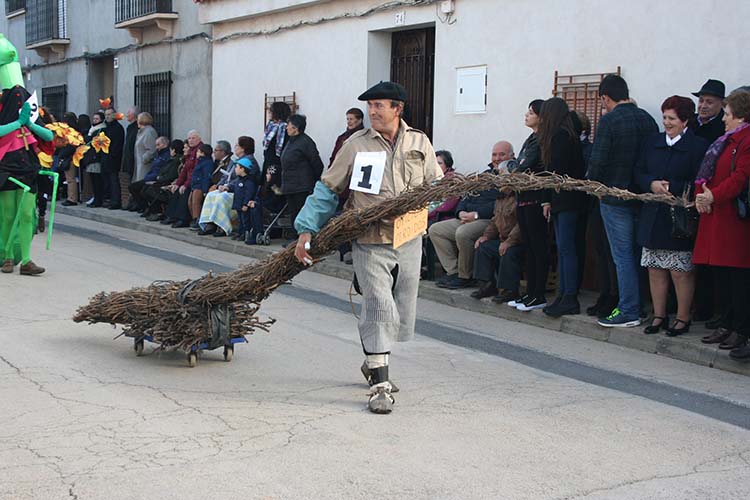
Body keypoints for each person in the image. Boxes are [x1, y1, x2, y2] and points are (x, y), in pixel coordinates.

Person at [293, 81, 442, 414]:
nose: (373, 111)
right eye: (370, 106)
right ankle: (380, 386)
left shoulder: (419, 141)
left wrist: (421, 211)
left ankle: (374, 362)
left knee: (402, 309)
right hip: (369, 238)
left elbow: (436, 187)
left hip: (408, 238)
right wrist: (305, 231)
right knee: (378, 306)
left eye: (379, 105)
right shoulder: (355, 145)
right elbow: (327, 188)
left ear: (397, 108)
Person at [587, 75, 658, 327]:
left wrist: (592, 186)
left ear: (605, 97)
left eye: (602, 101)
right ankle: (647, 305)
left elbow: (598, 161)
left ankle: (629, 309)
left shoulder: (609, 121)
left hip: (614, 198)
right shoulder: (647, 119)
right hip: (643, 196)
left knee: (622, 256)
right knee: (641, 254)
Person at [634, 96, 708, 336]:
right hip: (653, 212)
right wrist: (651, 183)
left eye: (672, 118)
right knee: (655, 268)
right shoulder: (652, 142)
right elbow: (639, 171)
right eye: (664, 117)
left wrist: (674, 187)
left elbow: (700, 178)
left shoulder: (697, 146)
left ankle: (683, 317)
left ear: (685, 120)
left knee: (680, 271)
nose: (666, 122)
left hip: (679, 217)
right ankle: (659, 315)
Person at [694, 90, 750, 360]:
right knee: (722, 274)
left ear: (740, 115)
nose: (724, 119)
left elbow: (740, 176)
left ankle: (740, 328)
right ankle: (726, 322)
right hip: (717, 214)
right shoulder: (726, 139)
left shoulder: (746, 140)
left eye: (727, 114)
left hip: (733, 218)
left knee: (737, 276)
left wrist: (714, 195)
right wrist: (702, 195)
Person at [0, 33, 55, 275]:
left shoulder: (30, 114)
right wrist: (16, 124)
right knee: (7, 215)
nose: (19, 97)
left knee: (25, 215)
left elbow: (50, 136)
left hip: (28, 168)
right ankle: (7, 256)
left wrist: (29, 124)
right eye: (16, 96)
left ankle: (27, 259)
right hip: (5, 169)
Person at [428, 141, 514, 290]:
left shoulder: (510, 178)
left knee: (463, 233)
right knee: (436, 230)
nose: (497, 158)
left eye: (502, 154)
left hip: (488, 220)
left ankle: (465, 276)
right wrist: (460, 212)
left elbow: (500, 204)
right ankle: (453, 271)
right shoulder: (484, 175)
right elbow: (466, 196)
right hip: (466, 217)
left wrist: (476, 214)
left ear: (512, 156)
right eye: (494, 154)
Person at [537, 97, 587, 317]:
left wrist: (548, 196)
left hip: (567, 200)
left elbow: (555, 172)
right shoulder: (563, 135)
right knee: (564, 248)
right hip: (562, 200)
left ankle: (569, 296)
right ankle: (563, 294)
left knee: (567, 249)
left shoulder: (562, 137)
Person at [510, 99, 549, 311]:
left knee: (538, 248)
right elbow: (517, 164)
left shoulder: (542, 140)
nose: (526, 115)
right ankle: (529, 293)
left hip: (535, 198)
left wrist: (512, 171)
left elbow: (523, 167)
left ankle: (538, 294)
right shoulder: (530, 138)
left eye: (531, 112)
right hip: (522, 197)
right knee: (529, 249)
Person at [470, 178, 524, 304]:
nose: (500, 183)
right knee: (483, 247)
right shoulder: (500, 198)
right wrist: (486, 236)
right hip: (503, 239)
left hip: (518, 241)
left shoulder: (518, 197)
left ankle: (509, 290)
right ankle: (487, 285)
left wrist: (509, 242)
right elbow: (494, 221)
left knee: (508, 252)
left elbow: (520, 225)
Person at [198, 136, 256, 237]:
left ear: (243, 148)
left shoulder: (249, 161)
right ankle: (210, 223)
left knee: (221, 197)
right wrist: (219, 185)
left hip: (241, 191)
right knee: (211, 195)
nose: (235, 147)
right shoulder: (237, 160)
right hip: (232, 188)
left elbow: (242, 179)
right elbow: (226, 175)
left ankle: (222, 226)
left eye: (237, 145)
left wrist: (228, 187)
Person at [280, 114, 324, 238]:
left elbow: (316, 163)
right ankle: (294, 239)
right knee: (293, 213)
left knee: (302, 213)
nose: (286, 127)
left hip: (301, 185)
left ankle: (302, 239)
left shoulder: (306, 142)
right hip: (290, 184)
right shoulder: (291, 141)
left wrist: (313, 180)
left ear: (296, 128)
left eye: (289, 125)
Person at [161, 130, 202, 227]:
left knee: (184, 192)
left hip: (197, 181)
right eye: (189, 138)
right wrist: (178, 183)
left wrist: (185, 184)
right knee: (175, 190)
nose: (191, 140)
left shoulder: (199, 150)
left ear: (199, 139)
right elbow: (185, 171)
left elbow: (195, 171)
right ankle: (171, 216)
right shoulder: (190, 151)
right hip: (189, 180)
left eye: (193, 138)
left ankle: (183, 219)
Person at [142, 139, 184, 220]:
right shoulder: (171, 160)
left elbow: (171, 175)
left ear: (174, 150)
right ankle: (153, 210)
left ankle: (158, 212)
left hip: (167, 182)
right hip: (161, 180)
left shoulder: (176, 161)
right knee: (146, 188)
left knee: (150, 190)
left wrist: (159, 178)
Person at [128, 136, 170, 212]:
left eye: (158, 144)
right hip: (150, 177)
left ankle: (150, 209)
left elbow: (161, 170)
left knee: (143, 190)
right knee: (133, 187)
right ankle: (144, 207)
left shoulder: (166, 155)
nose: (156, 147)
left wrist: (154, 179)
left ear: (164, 144)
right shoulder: (159, 155)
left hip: (155, 178)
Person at [261, 102, 290, 209]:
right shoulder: (270, 126)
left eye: (271, 111)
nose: (269, 113)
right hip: (267, 162)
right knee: (265, 190)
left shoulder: (285, 129)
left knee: (274, 192)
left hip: (277, 165)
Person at [226, 157, 262, 244]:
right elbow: (233, 187)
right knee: (240, 220)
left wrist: (245, 204)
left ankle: (246, 233)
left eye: (237, 167)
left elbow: (249, 193)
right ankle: (239, 232)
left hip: (243, 205)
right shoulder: (238, 180)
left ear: (243, 169)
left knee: (245, 220)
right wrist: (227, 188)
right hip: (238, 203)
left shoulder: (249, 181)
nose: (235, 169)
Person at [185, 143, 214, 229]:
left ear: (203, 153)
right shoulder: (200, 161)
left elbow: (206, 177)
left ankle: (197, 220)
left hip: (200, 186)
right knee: (190, 202)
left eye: (198, 151)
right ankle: (194, 218)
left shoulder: (208, 163)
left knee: (196, 203)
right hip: (195, 185)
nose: (197, 153)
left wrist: (205, 190)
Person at [102, 107, 125, 210]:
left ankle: (116, 201)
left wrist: (112, 155)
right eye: (106, 115)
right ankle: (109, 199)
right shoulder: (105, 127)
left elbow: (118, 144)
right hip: (105, 157)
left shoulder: (118, 128)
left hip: (113, 158)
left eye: (109, 114)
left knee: (114, 180)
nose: (107, 116)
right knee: (107, 181)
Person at [427, 150, 459, 223]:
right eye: (434, 163)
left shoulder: (452, 182)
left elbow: (448, 206)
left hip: (439, 218)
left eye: (439, 163)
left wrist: (426, 214)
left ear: (447, 166)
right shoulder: (429, 179)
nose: (436, 166)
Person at [83, 112, 106, 208]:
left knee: (97, 181)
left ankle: (98, 199)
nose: (95, 120)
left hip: (95, 158)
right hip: (90, 157)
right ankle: (95, 198)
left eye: (97, 119)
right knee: (93, 180)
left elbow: (97, 144)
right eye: (94, 118)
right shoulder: (92, 129)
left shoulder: (101, 129)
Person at [120, 107, 139, 209]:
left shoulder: (136, 128)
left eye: (129, 113)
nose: (127, 115)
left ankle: (134, 202)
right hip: (128, 159)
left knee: (133, 182)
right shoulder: (130, 127)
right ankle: (129, 202)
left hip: (133, 159)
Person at [132, 112, 158, 185]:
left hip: (145, 165)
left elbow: (152, 149)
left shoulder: (149, 132)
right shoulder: (141, 132)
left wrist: (144, 159)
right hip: (139, 164)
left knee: (141, 185)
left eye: (138, 119)